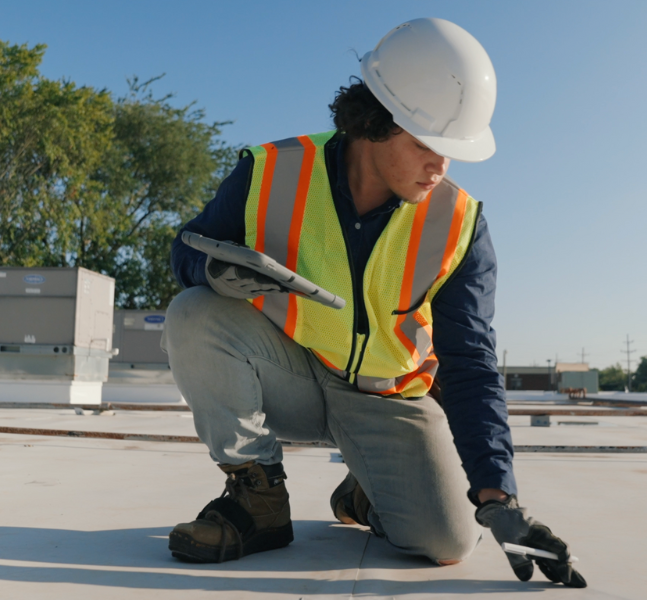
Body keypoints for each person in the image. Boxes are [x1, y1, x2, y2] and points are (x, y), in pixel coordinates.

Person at [162, 17, 585, 587]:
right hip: (294, 373)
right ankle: (256, 498)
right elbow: (186, 248)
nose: (440, 167)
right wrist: (210, 270)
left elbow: (470, 363)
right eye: (427, 146)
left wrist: (497, 494)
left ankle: (367, 490)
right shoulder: (270, 172)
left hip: (388, 400)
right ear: (375, 122)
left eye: (450, 151)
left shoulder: (459, 226)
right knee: (193, 312)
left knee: (448, 541)